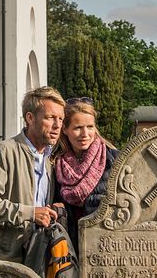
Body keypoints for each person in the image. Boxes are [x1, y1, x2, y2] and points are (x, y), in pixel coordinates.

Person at [0, 86, 66, 263]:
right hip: (7, 255)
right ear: (30, 118)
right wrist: (30, 213)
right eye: (50, 117)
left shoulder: (50, 159)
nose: (57, 125)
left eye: (60, 119)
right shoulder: (3, 152)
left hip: (40, 251)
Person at [52, 97, 120, 246]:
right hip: (68, 244)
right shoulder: (55, 164)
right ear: (65, 129)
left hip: (105, 243)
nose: (85, 134)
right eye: (78, 128)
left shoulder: (114, 159)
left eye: (90, 127)